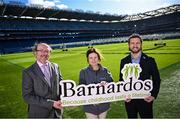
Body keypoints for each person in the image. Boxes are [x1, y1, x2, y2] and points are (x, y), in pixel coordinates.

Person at [119, 34, 161, 118]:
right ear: (129, 45)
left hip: (145, 99)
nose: (135, 45)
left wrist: (153, 95)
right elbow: (122, 80)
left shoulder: (150, 60)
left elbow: (156, 79)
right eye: (132, 43)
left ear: (141, 44)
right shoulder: (124, 61)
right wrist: (123, 94)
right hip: (129, 99)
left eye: (137, 43)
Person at [22, 43, 63, 118]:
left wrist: (68, 100)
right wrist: (51, 103)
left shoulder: (56, 66)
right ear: (35, 53)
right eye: (41, 50)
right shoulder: (28, 72)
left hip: (56, 113)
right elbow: (27, 96)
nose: (44, 53)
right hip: (39, 114)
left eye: (47, 51)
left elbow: (61, 86)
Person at [79, 48, 113, 119]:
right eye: (91, 58)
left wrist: (107, 84)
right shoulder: (83, 72)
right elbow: (81, 89)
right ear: (88, 59)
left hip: (103, 104)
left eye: (95, 57)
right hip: (89, 105)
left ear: (99, 58)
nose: (93, 60)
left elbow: (112, 85)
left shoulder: (105, 71)